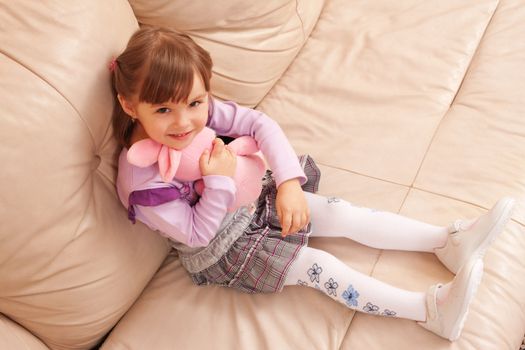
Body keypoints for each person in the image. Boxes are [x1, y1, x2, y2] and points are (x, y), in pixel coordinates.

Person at [110, 26, 515, 341]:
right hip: (222, 246)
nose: (184, 122)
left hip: (254, 195)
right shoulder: (141, 180)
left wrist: (287, 182)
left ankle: (446, 243)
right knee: (317, 265)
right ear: (130, 106)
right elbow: (197, 234)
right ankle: (430, 312)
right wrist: (217, 182)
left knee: (338, 213)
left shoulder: (191, 106)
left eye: (196, 104)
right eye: (163, 110)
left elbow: (257, 123)